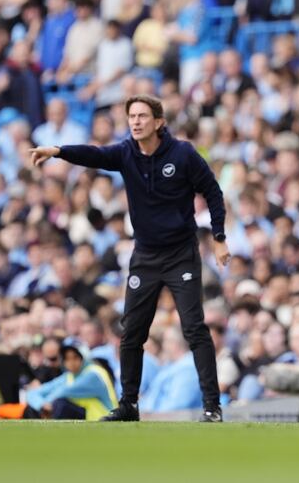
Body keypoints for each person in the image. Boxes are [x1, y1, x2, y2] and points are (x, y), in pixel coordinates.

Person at [29, 94, 230, 422]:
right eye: (131, 116)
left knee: (194, 329)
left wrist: (219, 238)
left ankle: (212, 406)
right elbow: (95, 154)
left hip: (181, 254)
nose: (135, 122)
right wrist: (58, 151)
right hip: (146, 256)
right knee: (132, 331)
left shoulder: (182, 154)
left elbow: (213, 192)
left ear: (159, 122)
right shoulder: (126, 153)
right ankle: (129, 405)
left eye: (142, 116)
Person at [24, 338, 117, 421]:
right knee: (34, 408)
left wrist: (46, 404)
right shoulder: (69, 376)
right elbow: (32, 393)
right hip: (89, 421)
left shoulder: (94, 374)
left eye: (75, 357)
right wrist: (41, 405)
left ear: (83, 356)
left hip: (106, 419)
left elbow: (64, 391)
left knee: (60, 404)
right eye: (67, 359)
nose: (71, 362)